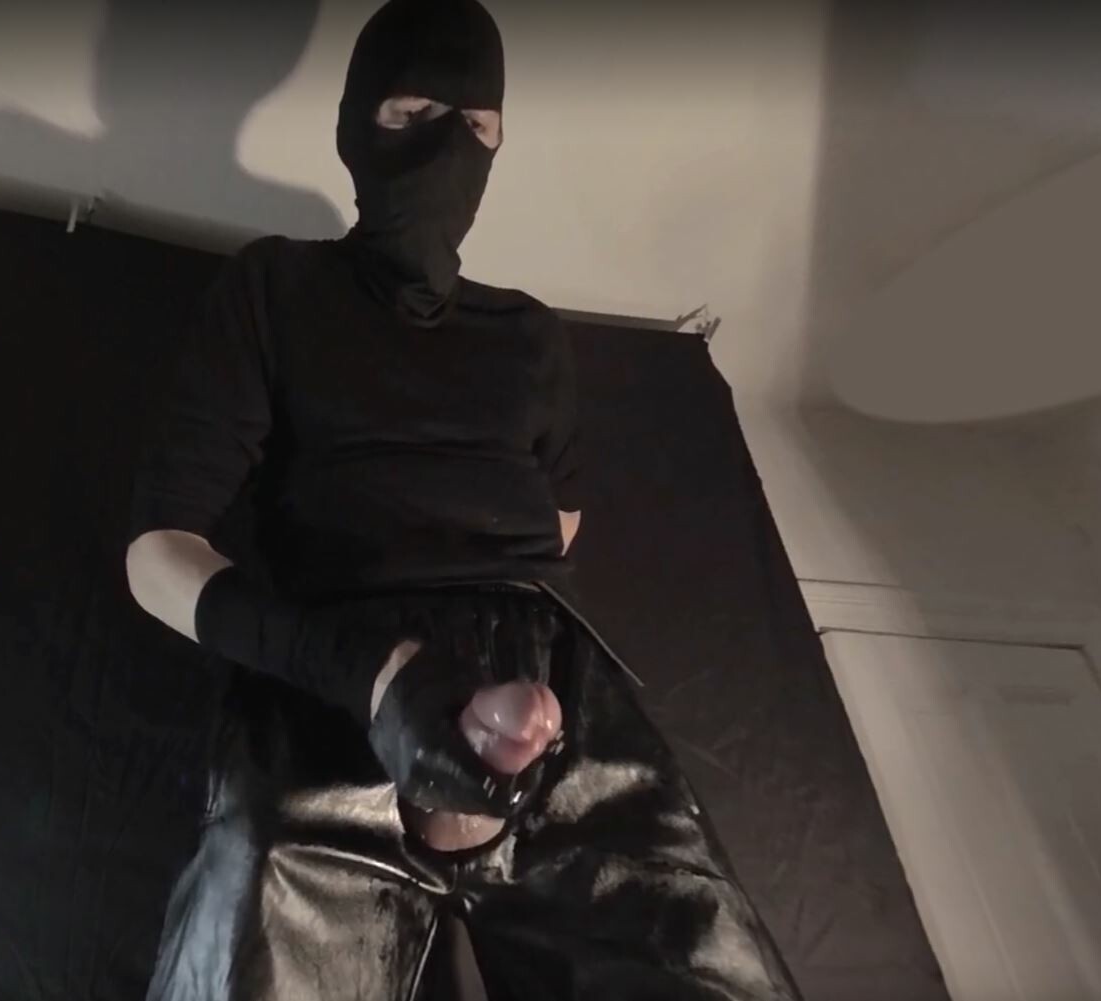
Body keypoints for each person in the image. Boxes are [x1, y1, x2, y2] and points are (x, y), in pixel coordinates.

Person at [125, 1, 800, 998]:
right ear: (356, 125)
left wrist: (511, 651)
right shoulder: (273, 286)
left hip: (548, 693)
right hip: (336, 682)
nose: (448, 148)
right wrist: (373, 672)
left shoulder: (529, 334)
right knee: (255, 952)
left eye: (477, 127)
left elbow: (561, 521)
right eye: (412, 113)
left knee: (692, 955)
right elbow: (156, 553)